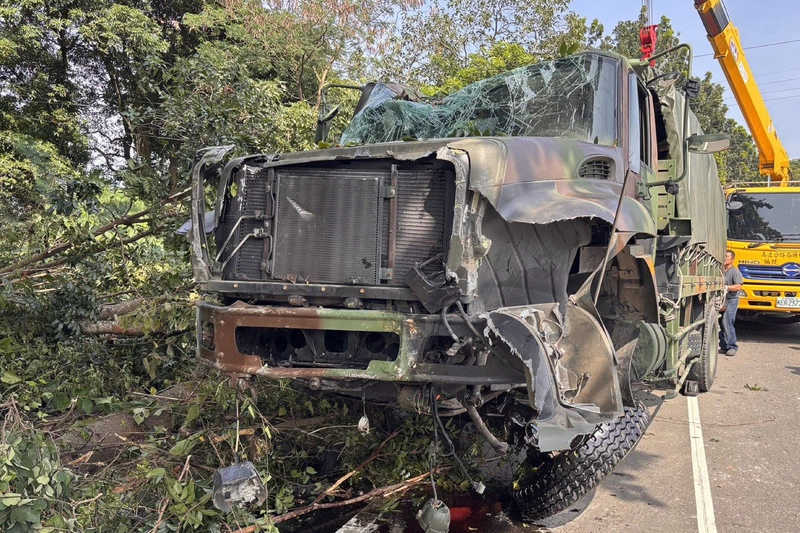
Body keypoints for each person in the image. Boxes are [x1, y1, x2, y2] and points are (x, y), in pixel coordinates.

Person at [719, 249, 743, 356]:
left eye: (727, 257)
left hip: (731, 300)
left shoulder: (735, 272)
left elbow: (738, 286)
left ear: (732, 259)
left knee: (727, 322)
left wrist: (726, 287)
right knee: (720, 323)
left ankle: (732, 346)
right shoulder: (721, 271)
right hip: (721, 300)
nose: (724, 258)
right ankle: (724, 346)